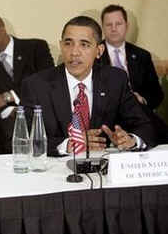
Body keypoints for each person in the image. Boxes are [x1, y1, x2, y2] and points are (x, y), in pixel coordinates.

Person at [21, 16, 156, 156]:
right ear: (61, 46)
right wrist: (68, 145)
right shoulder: (36, 85)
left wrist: (131, 140)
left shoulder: (115, 80)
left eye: (84, 44)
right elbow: (25, 139)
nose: (74, 52)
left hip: (103, 168)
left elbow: (146, 126)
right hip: (54, 171)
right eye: (68, 43)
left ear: (99, 51)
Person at [0, 13, 54, 154]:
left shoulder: (36, 48)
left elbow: (48, 84)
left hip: (39, 113)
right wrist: (10, 112)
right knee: (12, 128)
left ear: (1, 29)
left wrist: (8, 97)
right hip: (6, 123)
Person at [99, 4, 168, 144]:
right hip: (108, 114)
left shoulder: (142, 56)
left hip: (138, 112)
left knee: (156, 127)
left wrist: (143, 99)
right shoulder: (94, 54)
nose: (113, 28)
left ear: (127, 25)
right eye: (108, 24)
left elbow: (157, 94)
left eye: (118, 24)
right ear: (103, 27)